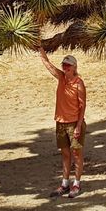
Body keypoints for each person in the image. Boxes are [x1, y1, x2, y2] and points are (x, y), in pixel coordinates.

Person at [38, 46, 86, 198]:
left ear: (74, 67)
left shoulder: (79, 84)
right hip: (60, 122)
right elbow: (48, 64)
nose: (65, 68)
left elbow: (82, 106)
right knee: (65, 154)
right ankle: (65, 183)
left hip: (74, 123)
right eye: (64, 65)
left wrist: (78, 126)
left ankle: (76, 184)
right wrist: (40, 48)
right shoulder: (61, 78)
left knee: (76, 154)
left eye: (68, 65)